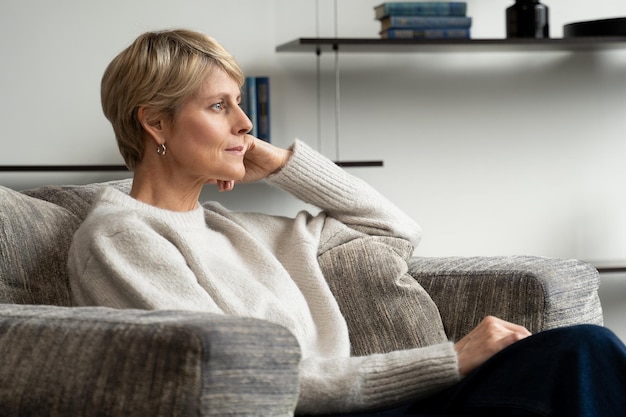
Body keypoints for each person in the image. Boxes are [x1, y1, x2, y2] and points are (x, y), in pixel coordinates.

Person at [68, 29, 626, 416]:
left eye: (240, 104)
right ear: (155, 121)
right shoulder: (121, 238)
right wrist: (448, 359)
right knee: (580, 358)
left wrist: (286, 165)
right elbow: (240, 376)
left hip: (381, 402)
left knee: (584, 348)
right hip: (315, 412)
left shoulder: (240, 230)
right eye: (219, 107)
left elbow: (395, 231)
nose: (244, 122)